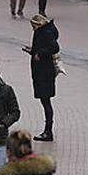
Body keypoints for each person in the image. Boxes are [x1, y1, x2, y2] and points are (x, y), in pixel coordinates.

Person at [23, 14, 59, 142]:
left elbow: (54, 47)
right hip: (42, 71)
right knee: (45, 101)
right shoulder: (42, 32)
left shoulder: (45, 33)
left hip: (44, 72)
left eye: (33, 25)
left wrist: (40, 53)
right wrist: (33, 51)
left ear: (38, 24)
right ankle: (47, 129)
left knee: (46, 101)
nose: (32, 28)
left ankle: (48, 130)